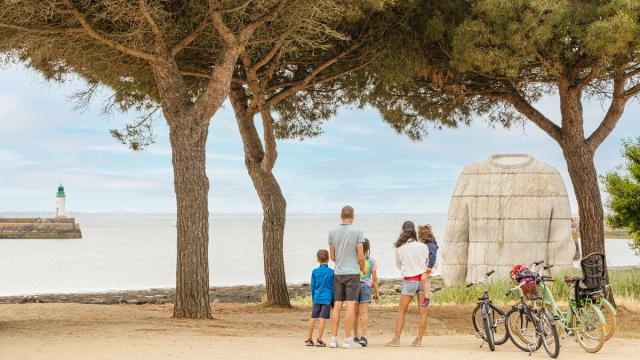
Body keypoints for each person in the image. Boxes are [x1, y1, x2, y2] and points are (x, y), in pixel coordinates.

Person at [386, 221, 430, 347]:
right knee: (423, 312)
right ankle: (419, 340)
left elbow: (398, 265)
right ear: (414, 231)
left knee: (402, 311)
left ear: (403, 231)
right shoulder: (423, 246)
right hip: (423, 281)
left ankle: (396, 339)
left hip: (410, 280)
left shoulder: (400, 248)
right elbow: (428, 263)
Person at [328, 205, 366, 349]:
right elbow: (361, 256)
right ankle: (347, 340)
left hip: (338, 272)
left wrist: (341, 261)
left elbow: (332, 256)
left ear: (341, 216)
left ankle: (333, 339)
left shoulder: (332, 231)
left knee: (337, 305)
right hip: (352, 273)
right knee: (350, 305)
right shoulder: (358, 231)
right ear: (353, 216)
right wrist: (361, 268)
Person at [353, 238, 380, 346]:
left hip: (354, 286)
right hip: (366, 287)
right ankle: (363, 336)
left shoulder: (354, 260)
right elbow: (375, 279)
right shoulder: (372, 261)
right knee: (364, 313)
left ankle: (355, 336)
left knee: (354, 314)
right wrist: (377, 293)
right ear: (368, 248)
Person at [305, 249, 334, 347]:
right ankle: (319, 339)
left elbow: (313, 286)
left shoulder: (314, 271)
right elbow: (333, 287)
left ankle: (309, 339)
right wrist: (332, 301)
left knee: (313, 318)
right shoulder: (331, 272)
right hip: (326, 298)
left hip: (317, 297)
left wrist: (313, 298)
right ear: (328, 259)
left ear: (317, 259)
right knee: (322, 319)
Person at [418, 225, 439, 307]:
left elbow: (433, 256)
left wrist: (429, 268)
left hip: (430, 265)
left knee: (423, 279)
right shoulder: (431, 243)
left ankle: (427, 298)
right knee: (424, 279)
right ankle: (426, 298)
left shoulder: (430, 245)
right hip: (429, 264)